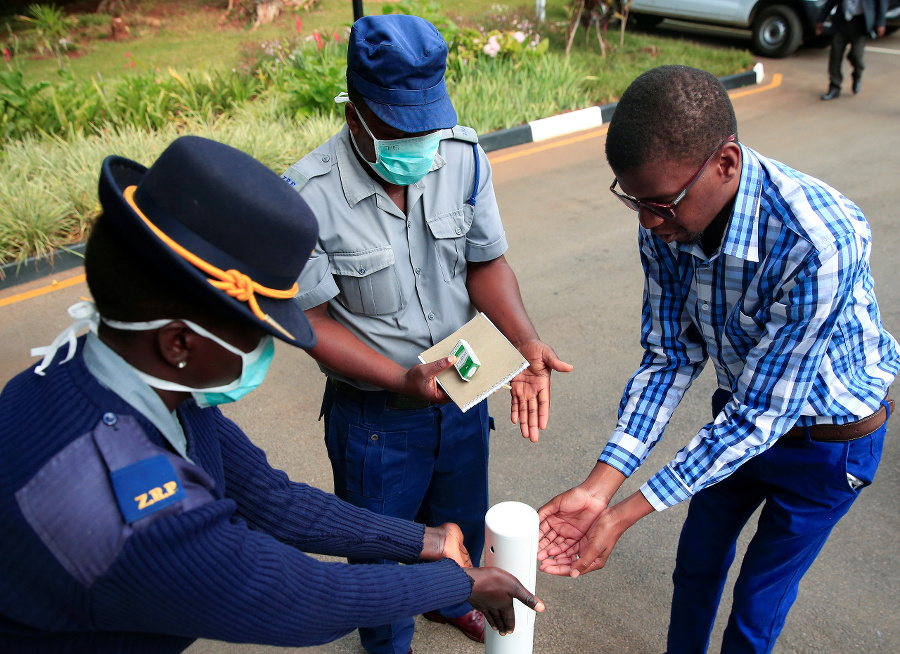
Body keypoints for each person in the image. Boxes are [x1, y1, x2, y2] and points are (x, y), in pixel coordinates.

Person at [0, 135, 545, 653]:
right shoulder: (130, 511)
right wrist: (456, 584)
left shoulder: (124, 379)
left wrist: (422, 541)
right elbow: (299, 600)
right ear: (179, 342)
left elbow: (272, 501)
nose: (269, 345)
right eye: (256, 327)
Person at [536, 65, 898, 654]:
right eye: (634, 202)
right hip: (739, 420)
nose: (650, 223)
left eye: (661, 204)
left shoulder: (818, 241)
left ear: (725, 164)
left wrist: (623, 514)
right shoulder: (667, 219)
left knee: (757, 605)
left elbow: (761, 416)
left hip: (829, 444)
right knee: (697, 565)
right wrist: (601, 486)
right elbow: (671, 355)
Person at [281, 13, 570, 654]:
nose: (418, 144)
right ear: (355, 114)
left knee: (460, 523)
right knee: (381, 555)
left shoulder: (461, 155)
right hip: (376, 420)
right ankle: (388, 643)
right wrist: (400, 378)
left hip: (465, 393)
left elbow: (485, 262)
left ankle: (449, 600)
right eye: (397, 128)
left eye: (427, 127)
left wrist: (523, 340)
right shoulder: (306, 196)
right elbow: (311, 322)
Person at [817, 0, 888, 100]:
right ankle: (834, 86)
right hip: (841, 22)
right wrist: (821, 19)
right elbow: (830, 2)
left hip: (860, 24)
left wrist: (881, 22)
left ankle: (857, 75)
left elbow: (881, 2)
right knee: (835, 56)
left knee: (856, 55)